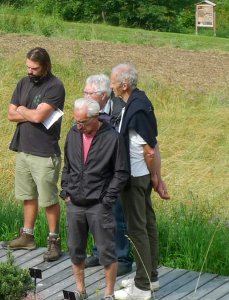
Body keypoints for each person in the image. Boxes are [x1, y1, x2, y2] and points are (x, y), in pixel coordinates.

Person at [111, 63, 172, 300]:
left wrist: (156, 177)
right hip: (143, 177)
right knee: (147, 224)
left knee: (137, 230)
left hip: (135, 178)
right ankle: (151, 277)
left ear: (124, 85)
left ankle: (142, 287)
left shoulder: (135, 109)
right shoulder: (140, 101)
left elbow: (150, 149)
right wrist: (155, 177)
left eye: (114, 81)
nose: (112, 84)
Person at [62, 98, 129, 300]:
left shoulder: (113, 138)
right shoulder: (73, 134)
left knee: (107, 252)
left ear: (96, 117)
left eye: (82, 122)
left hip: (100, 205)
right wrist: (65, 191)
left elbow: (121, 172)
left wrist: (107, 199)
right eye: (76, 121)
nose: (79, 126)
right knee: (75, 249)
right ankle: (80, 291)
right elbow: (67, 166)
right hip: (75, 203)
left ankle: (108, 294)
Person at [5, 47, 67, 262]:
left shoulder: (55, 86)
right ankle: (27, 236)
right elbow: (10, 114)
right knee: (27, 195)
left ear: (46, 66)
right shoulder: (23, 82)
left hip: (44, 151)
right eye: (28, 67)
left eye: (34, 68)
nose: (30, 71)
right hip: (23, 148)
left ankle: (54, 240)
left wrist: (23, 110)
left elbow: (40, 116)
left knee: (48, 199)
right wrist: (27, 112)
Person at [82, 74, 133, 276]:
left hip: (115, 171)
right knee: (96, 214)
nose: (85, 96)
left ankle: (122, 258)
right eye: (84, 92)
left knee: (117, 216)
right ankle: (99, 252)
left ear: (103, 95)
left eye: (89, 93)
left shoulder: (121, 109)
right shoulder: (87, 109)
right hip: (95, 172)